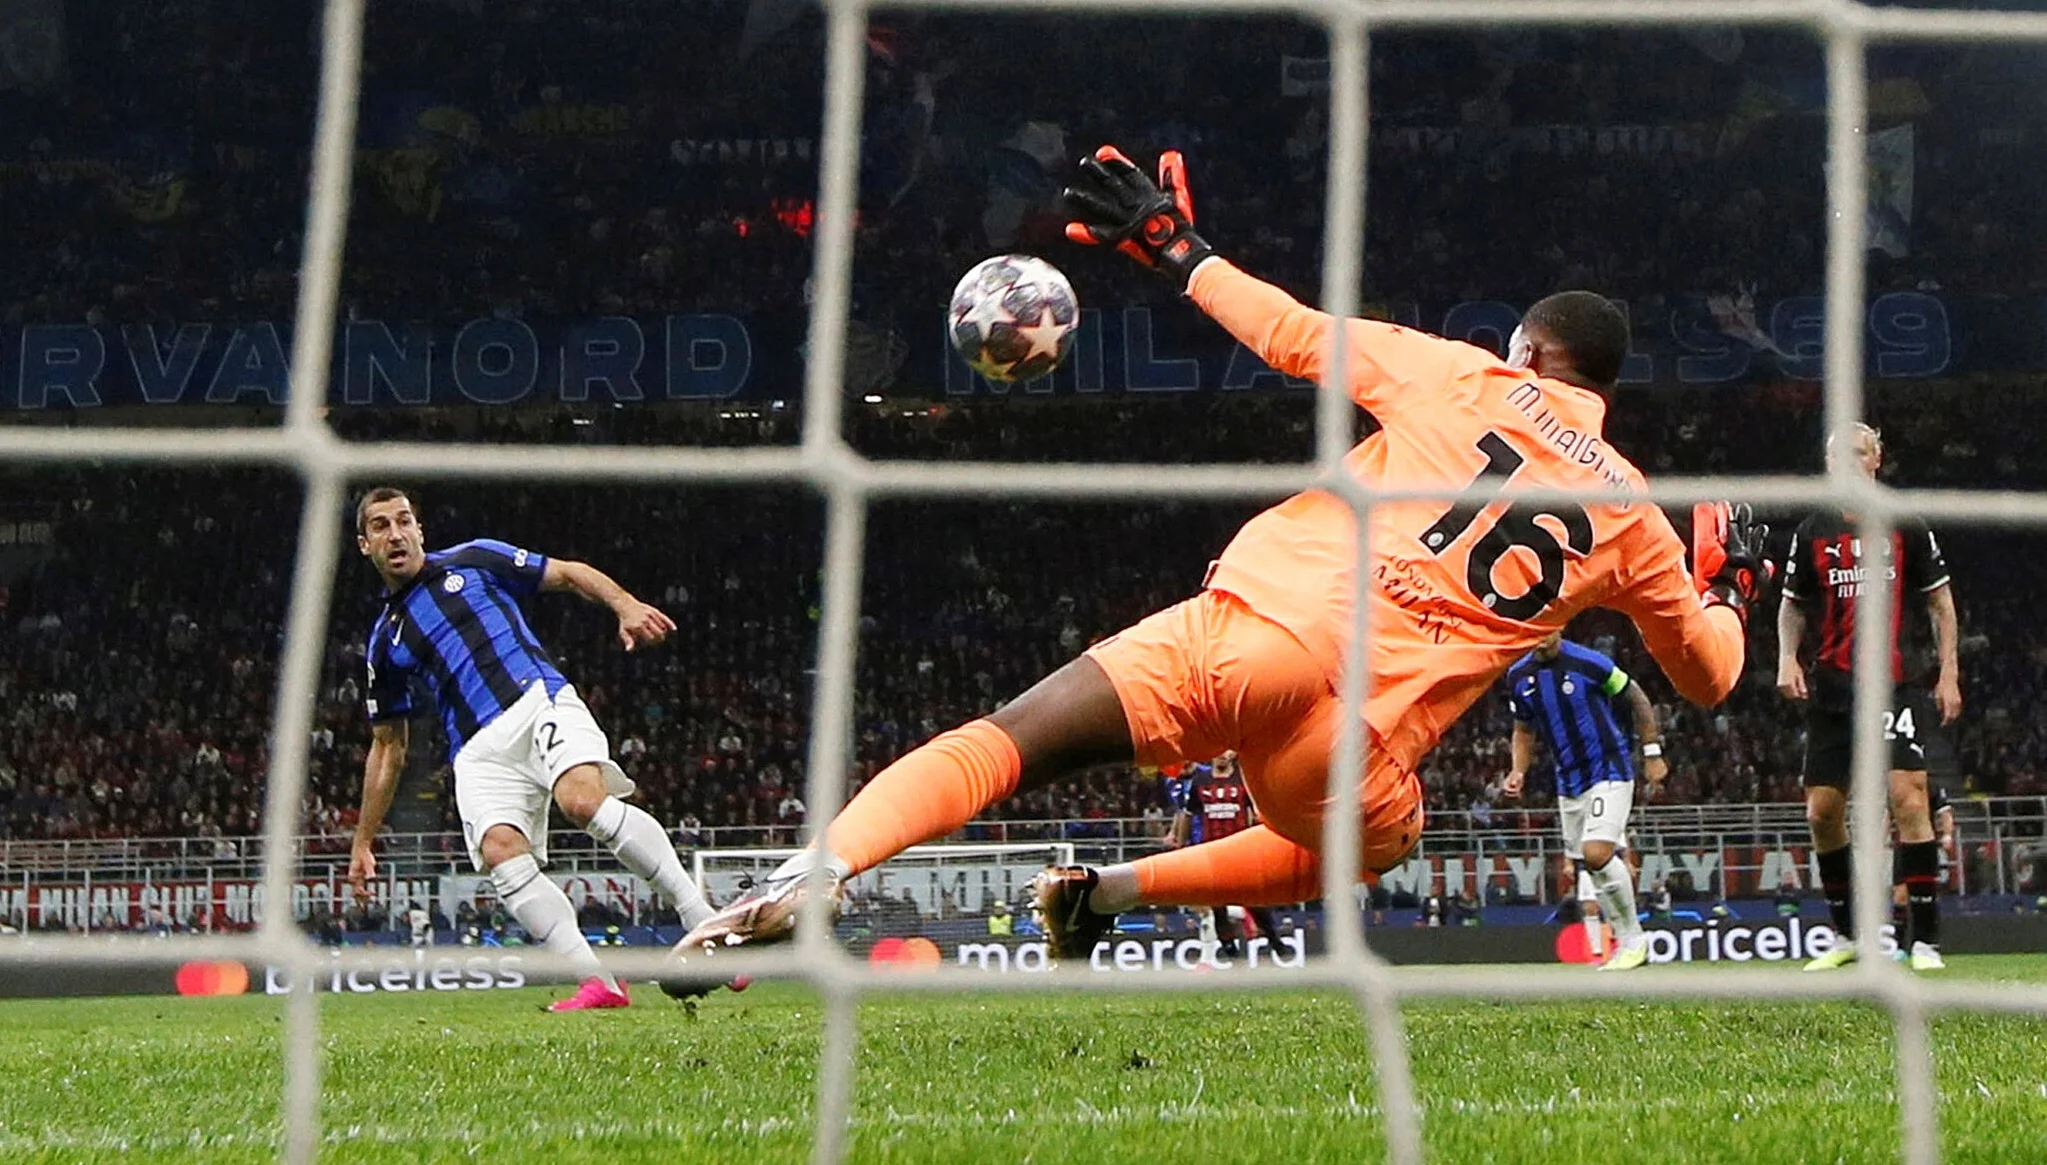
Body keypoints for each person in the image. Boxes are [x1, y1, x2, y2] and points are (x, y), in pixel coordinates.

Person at [676, 147, 1764, 960]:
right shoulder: (1633, 515)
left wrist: (1173, 247)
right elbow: (1708, 678)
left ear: (1526, 349)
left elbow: (1286, 331)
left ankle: (816, 870)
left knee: (1005, 742)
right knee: (1374, 845)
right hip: (1350, 745)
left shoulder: (1463, 374)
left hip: (1264, 626)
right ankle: (1108, 895)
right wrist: (1729, 591)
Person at [345, 487, 737, 1011]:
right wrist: (363, 842)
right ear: (364, 544)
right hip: (477, 750)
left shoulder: (474, 558)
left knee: (583, 801)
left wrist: (624, 604)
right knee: (500, 852)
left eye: (404, 521)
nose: (396, 534)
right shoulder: (384, 641)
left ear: (420, 530)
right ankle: (598, 982)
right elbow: (388, 747)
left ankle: (703, 919)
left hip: (536, 699)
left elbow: (568, 573)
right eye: (380, 526)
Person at [1777, 424, 1961, 972]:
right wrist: (1786, 657)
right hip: (1833, 686)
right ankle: (1847, 936)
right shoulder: (1813, 529)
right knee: (1822, 813)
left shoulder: (1904, 522)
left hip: (1891, 683)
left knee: (1909, 798)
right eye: (1836, 456)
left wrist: (1949, 672)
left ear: (1877, 459)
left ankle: (1924, 941)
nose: (1846, 464)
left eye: (1856, 454)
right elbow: (1792, 604)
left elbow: (1941, 603)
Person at [1500, 632, 1667, 970]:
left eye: (1548, 626)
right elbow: (1523, 730)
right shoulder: (1518, 676)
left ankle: (1635, 940)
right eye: (1535, 628)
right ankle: (1625, 944)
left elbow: (1635, 695)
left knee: (1596, 852)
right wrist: (1518, 770)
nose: (1541, 636)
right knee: (1590, 865)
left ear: (1560, 625)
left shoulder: (1589, 662)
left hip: (1609, 769)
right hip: (1568, 782)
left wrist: (1651, 752)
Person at [1168, 751, 1279, 956]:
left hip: (1240, 850)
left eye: (1226, 750)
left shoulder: (1242, 779)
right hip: (1212, 852)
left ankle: (1274, 939)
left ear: (1232, 754)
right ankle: (1229, 949)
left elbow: (1258, 813)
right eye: (1217, 752)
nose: (1221, 755)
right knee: (1218, 906)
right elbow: (1188, 814)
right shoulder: (1200, 781)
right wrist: (1181, 847)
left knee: (1253, 901)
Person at [1891, 784, 1956, 961]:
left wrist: (1947, 834)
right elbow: (1887, 815)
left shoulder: (1932, 786)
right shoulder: (1897, 784)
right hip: (1902, 845)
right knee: (1900, 897)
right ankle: (1899, 947)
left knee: (1924, 894)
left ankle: (1925, 942)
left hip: (1925, 843)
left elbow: (1945, 813)